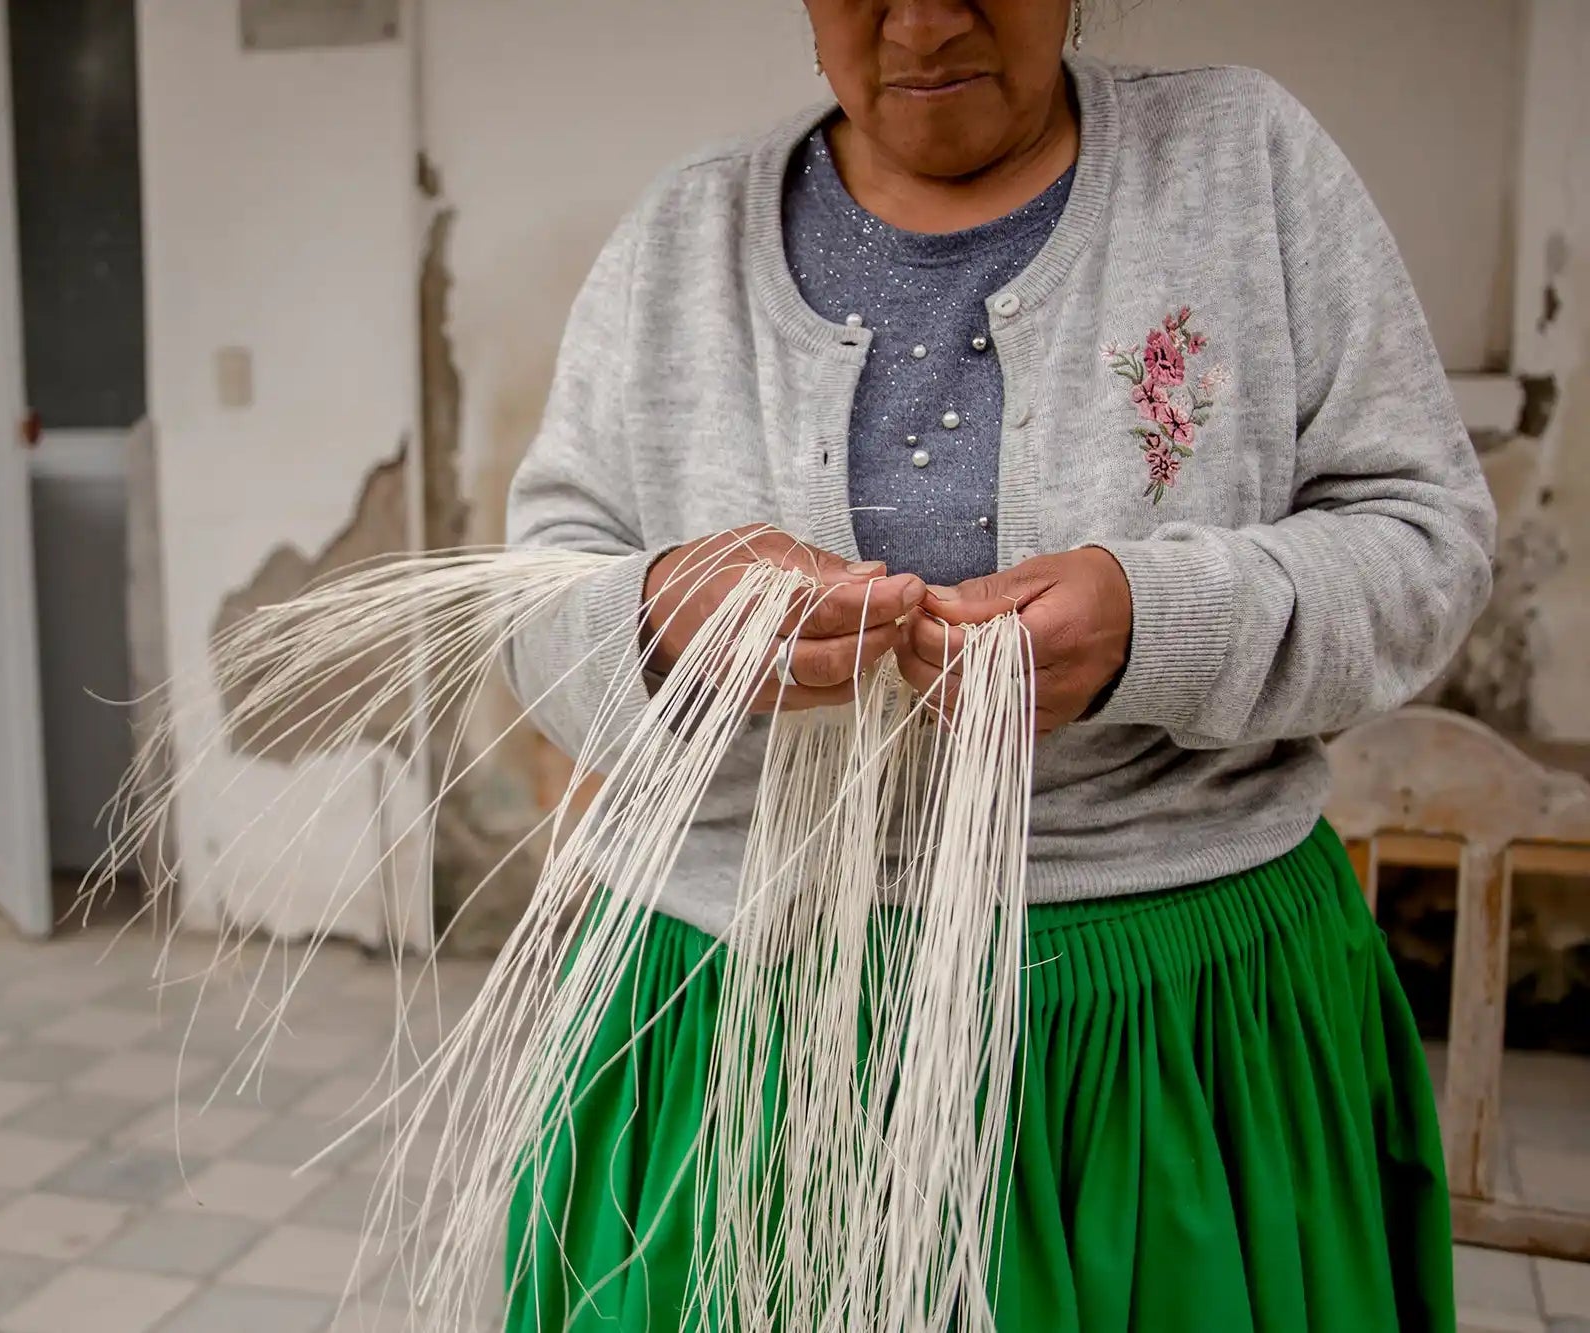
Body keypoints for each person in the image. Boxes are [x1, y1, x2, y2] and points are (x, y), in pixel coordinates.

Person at [499, 3, 1496, 1330]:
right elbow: (536, 611)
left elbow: (1424, 551)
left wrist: (1156, 619)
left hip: (1166, 1047)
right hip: (728, 1043)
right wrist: (666, 616)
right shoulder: (680, 241)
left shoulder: (1244, 163)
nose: (921, 22)